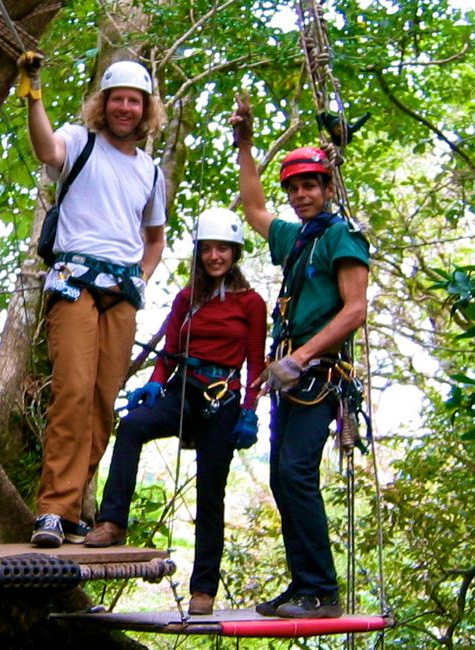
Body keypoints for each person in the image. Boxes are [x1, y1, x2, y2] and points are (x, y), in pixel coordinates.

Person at [83, 207, 267, 616]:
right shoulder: (188, 298)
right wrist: (153, 383)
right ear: (199, 253)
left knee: (211, 491)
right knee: (131, 428)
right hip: (182, 388)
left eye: (224, 249)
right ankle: (111, 522)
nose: (215, 256)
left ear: (235, 253)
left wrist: (249, 411)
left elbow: (257, 362)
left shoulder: (251, 303)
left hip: (222, 397)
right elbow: (169, 348)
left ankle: (203, 588)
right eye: (208, 249)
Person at [16, 55, 168, 547]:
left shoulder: (149, 171)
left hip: (121, 292)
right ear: (103, 105)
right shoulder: (80, 142)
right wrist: (33, 91)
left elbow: (155, 239)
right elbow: (45, 149)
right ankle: (53, 510)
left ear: (146, 110)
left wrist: (140, 279)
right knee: (74, 391)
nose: (125, 108)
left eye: (134, 101)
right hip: (75, 281)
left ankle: (74, 503)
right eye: (117, 99)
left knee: (103, 402)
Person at [230, 96, 369, 619]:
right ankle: (303, 585)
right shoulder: (295, 237)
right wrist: (245, 146)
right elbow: (253, 209)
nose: (300, 194)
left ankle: (322, 591)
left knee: (296, 472)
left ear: (328, 189)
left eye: (309, 185)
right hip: (289, 374)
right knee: (281, 477)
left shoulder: (342, 237)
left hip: (319, 374)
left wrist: (304, 355)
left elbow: (355, 310)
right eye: (293, 187)